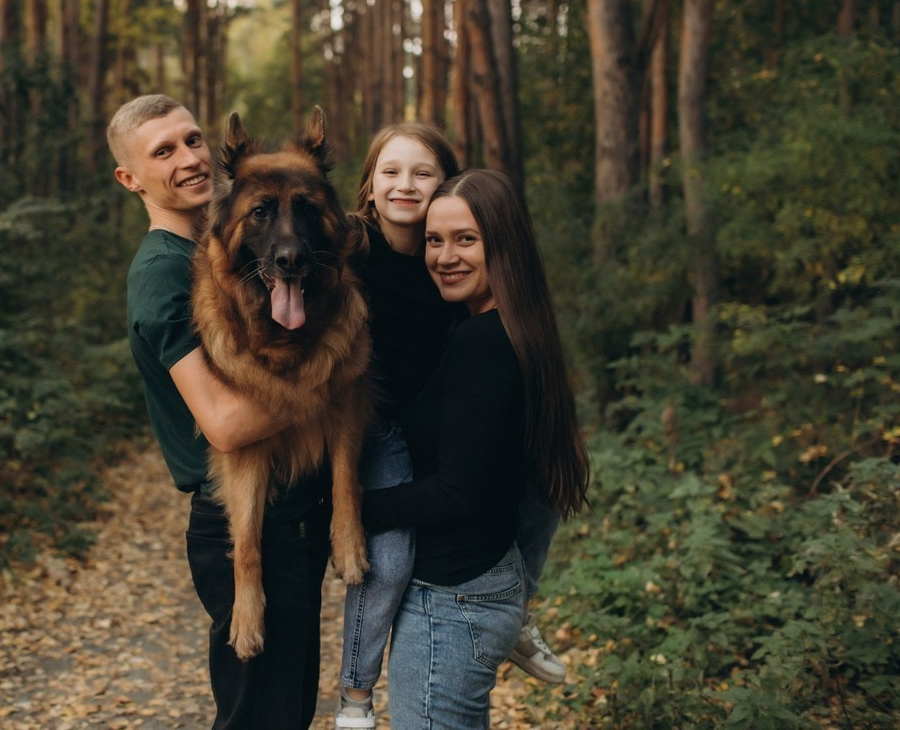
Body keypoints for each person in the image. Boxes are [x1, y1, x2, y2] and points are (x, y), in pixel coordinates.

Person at [334, 131, 570, 729]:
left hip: (457, 598)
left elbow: (457, 491)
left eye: (466, 240)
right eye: (437, 241)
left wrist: (348, 507)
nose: (444, 256)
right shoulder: (510, 323)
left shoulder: (480, 341)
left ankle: (353, 696)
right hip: (482, 576)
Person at [111, 94, 332, 730]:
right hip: (241, 518)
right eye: (163, 151)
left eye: (192, 139)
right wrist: (337, 381)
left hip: (290, 511)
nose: (189, 158)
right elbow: (227, 424)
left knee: (283, 711)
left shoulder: (228, 251)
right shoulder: (162, 273)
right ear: (130, 178)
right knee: (256, 715)